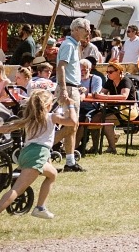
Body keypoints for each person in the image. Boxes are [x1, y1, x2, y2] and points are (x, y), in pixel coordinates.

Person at [0, 91, 65, 218]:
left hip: (26, 154)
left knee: (52, 174)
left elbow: (6, 128)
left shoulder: (28, 119)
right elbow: (72, 122)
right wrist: (71, 106)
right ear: (47, 106)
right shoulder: (52, 117)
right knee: (16, 190)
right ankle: (39, 208)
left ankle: (40, 207)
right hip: (37, 154)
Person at [55, 16, 89, 173]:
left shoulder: (74, 45)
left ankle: (70, 161)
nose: (88, 31)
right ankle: (44, 145)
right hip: (68, 89)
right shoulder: (69, 45)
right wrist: (63, 89)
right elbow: (61, 67)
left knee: (72, 126)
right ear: (75, 29)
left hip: (72, 87)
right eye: (85, 28)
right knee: (72, 124)